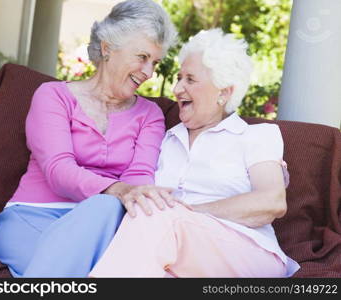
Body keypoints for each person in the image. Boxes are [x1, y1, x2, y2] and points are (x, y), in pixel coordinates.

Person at [89, 28, 300, 278]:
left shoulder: (256, 136)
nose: (177, 89)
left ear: (223, 92)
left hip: (247, 252)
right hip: (178, 252)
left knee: (157, 218)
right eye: (179, 78)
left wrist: (186, 212)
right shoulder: (166, 139)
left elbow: (271, 201)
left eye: (190, 79)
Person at [0, 0, 177, 278]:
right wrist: (118, 189)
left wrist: (119, 195)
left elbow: (139, 178)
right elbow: (58, 170)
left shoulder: (150, 114)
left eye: (155, 62)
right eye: (142, 57)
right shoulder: (53, 96)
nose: (149, 72)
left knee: (103, 208)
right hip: (34, 217)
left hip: (104, 226)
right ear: (107, 48)